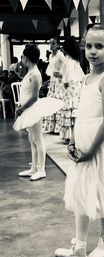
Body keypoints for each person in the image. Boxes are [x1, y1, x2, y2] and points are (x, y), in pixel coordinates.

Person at [55, 24, 104, 257]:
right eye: (88, 46)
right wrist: (74, 139)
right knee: (81, 192)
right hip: (83, 142)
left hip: (100, 144)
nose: (92, 51)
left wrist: (92, 150)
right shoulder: (86, 78)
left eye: (99, 46)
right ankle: (80, 247)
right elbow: (82, 112)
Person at [13, 44, 46, 181]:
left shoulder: (36, 74)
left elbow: (34, 97)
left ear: (26, 58)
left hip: (33, 109)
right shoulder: (30, 72)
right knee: (31, 139)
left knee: (38, 139)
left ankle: (41, 169)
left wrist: (21, 108)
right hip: (28, 109)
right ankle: (34, 167)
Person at [58, 36, 85, 143]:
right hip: (77, 85)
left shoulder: (68, 60)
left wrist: (64, 82)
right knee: (75, 109)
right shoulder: (75, 59)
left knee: (69, 109)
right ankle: (76, 134)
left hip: (70, 86)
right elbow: (80, 74)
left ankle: (70, 135)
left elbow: (67, 74)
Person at [43, 37, 65, 133]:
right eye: (50, 43)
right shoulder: (51, 56)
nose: (51, 45)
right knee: (51, 100)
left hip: (59, 81)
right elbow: (51, 70)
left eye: (53, 43)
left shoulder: (60, 55)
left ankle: (59, 127)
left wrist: (61, 74)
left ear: (58, 45)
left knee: (58, 99)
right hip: (53, 81)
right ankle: (52, 127)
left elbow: (67, 66)